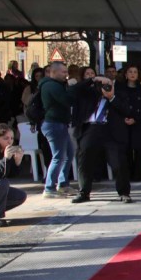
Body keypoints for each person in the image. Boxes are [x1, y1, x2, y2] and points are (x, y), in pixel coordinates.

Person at [70, 71, 132, 203]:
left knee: (118, 162)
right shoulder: (89, 92)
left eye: (109, 83)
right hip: (91, 128)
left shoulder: (120, 92)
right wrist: (92, 80)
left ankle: (124, 192)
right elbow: (73, 90)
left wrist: (112, 97)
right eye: (103, 83)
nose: (105, 86)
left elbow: (127, 110)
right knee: (85, 159)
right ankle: (84, 192)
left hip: (111, 130)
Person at [38, 62, 77, 198]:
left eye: (66, 72)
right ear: (53, 72)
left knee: (69, 154)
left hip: (60, 123)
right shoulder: (51, 86)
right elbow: (67, 100)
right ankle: (49, 187)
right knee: (59, 156)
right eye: (63, 72)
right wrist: (74, 89)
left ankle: (63, 184)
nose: (66, 75)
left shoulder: (57, 85)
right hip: (54, 124)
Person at [113, 65, 141, 182]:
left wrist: (136, 119)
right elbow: (117, 105)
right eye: (130, 72)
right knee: (126, 150)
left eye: (135, 72)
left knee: (139, 150)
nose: (132, 74)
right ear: (126, 74)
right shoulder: (120, 89)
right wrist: (124, 118)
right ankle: (127, 174)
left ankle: (138, 174)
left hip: (139, 122)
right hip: (124, 122)